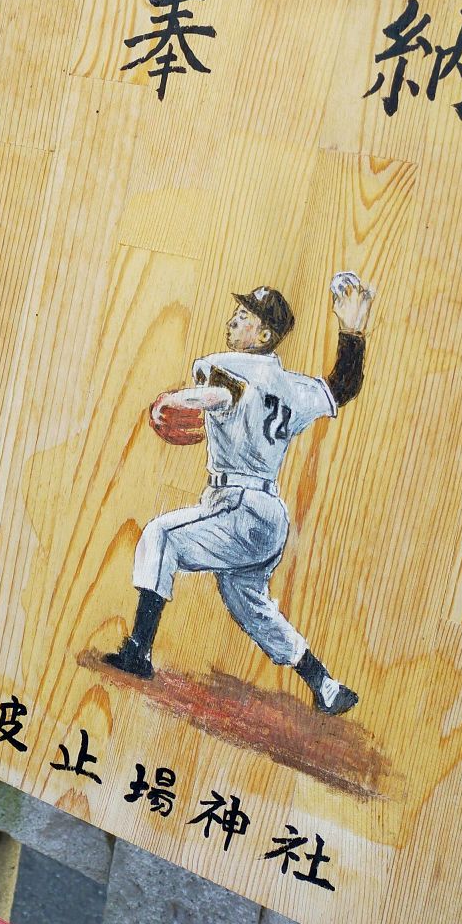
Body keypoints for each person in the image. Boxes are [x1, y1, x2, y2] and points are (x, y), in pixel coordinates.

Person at [103, 276, 374, 715]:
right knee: (250, 606)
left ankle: (138, 651)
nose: (234, 320)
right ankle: (325, 683)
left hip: (237, 508)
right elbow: (341, 387)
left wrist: (174, 402)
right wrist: (352, 332)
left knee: (160, 537)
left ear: (264, 335)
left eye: (245, 317)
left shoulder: (231, 369)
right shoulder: (291, 387)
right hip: (269, 518)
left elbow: (218, 393)